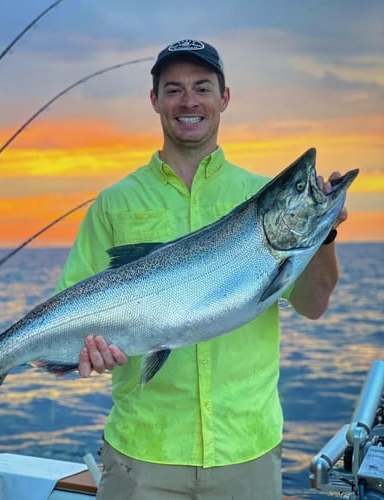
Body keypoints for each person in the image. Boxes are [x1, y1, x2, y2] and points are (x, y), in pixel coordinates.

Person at [53, 39, 348, 499]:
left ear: (224, 98)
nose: (188, 101)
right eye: (173, 90)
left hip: (246, 449)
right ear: (154, 101)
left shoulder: (258, 193)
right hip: (142, 451)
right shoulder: (115, 202)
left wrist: (323, 233)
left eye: (202, 88)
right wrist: (86, 350)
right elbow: (75, 303)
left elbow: (313, 305)